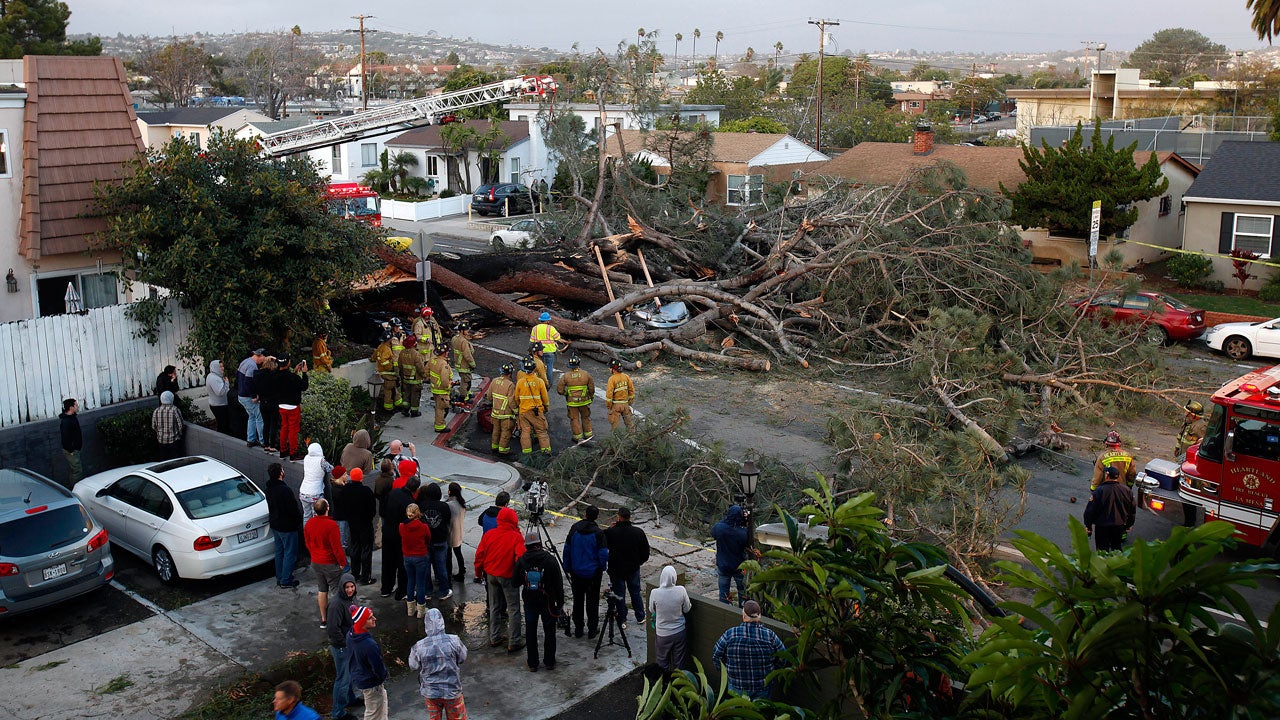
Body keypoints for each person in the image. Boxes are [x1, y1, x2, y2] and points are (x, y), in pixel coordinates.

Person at [473, 506, 525, 651]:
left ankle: (494, 637)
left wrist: (478, 573)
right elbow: (521, 558)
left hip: (491, 575)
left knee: (494, 607)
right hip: (508, 576)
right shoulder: (516, 537)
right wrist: (521, 577)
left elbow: (479, 556)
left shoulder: (489, 534)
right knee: (514, 608)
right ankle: (514, 641)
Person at [712, 600, 786, 700]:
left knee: (736, 714)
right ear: (759, 616)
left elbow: (716, 656)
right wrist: (772, 672)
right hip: (762, 687)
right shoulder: (770, 636)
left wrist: (726, 672)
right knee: (760, 714)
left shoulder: (730, 634)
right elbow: (783, 657)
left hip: (736, 686)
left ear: (744, 616)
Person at [514, 529, 565, 672]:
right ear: (540, 543)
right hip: (548, 602)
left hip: (530, 601)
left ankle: (532, 664)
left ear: (526, 545)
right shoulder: (550, 560)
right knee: (550, 632)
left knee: (530, 632)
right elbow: (558, 584)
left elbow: (514, 582)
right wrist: (560, 604)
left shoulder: (522, 560)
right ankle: (549, 662)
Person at [408, 607, 469, 720]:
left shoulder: (419, 646)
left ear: (426, 624)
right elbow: (462, 658)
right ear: (442, 622)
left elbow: (413, 665)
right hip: (452, 690)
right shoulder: (454, 640)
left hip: (430, 692)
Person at [562, 504, 609, 639]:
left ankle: (578, 628)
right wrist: (602, 567)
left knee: (578, 600)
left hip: (576, 571)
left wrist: (567, 567)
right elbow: (603, 553)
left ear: (585, 515)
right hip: (593, 573)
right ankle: (592, 629)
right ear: (596, 517)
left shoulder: (574, 529)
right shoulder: (598, 533)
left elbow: (567, 549)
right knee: (592, 601)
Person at [604, 506, 650, 623]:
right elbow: (645, 553)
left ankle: (622, 618)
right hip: (633, 568)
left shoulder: (611, 532)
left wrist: (609, 529)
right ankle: (640, 616)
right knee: (635, 593)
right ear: (630, 517)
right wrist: (638, 562)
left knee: (619, 595)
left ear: (618, 517)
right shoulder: (638, 532)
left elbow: (601, 542)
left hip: (616, 569)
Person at [306, 498, 347, 629]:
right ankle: (340, 619)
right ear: (327, 508)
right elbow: (337, 547)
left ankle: (324, 619)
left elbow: (307, 542)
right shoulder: (331, 525)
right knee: (338, 592)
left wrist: (314, 554)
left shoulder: (309, 523)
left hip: (316, 561)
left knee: (322, 590)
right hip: (330, 562)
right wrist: (342, 562)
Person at [326, 574, 359, 720]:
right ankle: (338, 713)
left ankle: (351, 700)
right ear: (342, 587)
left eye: (352, 586)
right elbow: (333, 629)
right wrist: (345, 643)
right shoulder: (336, 604)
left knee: (350, 674)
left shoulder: (350, 599)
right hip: (341, 647)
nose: (350, 589)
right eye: (347, 587)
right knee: (343, 680)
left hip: (350, 644)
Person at [346, 606, 389, 720]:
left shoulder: (351, 634)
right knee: (373, 713)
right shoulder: (369, 645)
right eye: (370, 618)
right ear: (362, 622)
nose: (374, 618)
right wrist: (383, 676)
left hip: (359, 675)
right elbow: (377, 667)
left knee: (381, 705)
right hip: (371, 683)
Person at [381, 475, 418, 601]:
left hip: (387, 532)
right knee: (402, 564)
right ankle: (402, 591)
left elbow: (382, 510)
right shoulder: (410, 502)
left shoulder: (393, 493)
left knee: (387, 562)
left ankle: (386, 588)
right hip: (400, 535)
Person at [265, 463, 302, 588]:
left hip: (276, 525)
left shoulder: (269, 489)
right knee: (290, 552)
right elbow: (292, 509)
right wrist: (297, 521)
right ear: (281, 473)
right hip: (287, 526)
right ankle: (286, 580)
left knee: (280, 551)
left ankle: (280, 577)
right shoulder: (284, 490)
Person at [649, 565, 692, 672]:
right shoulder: (681, 590)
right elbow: (687, 609)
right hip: (679, 632)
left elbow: (652, 610)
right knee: (679, 662)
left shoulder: (655, 593)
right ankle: (678, 684)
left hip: (662, 634)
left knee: (662, 662)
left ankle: (664, 685)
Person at [1084, 465, 1136, 552]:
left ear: (1107, 476)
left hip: (1102, 527)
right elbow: (1132, 510)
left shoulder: (1099, 491)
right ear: (1117, 477)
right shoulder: (1127, 491)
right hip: (1119, 526)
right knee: (1116, 550)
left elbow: (1090, 510)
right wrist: (1129, 524)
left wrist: (1088, 526)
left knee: (1102, 551)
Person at [340, 468, 377, 586]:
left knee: (355, 547)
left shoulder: (345, 490)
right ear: (361, 477)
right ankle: (366, 577)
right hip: (365, 524)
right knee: (366, 549)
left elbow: (343, 507)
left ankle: (355, 574)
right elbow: (372, 508)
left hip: (352, 523)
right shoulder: (366, 491)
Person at [418, 483, 454, 600]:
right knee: (441, 567)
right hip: (440, 539)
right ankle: (444, 590)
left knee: (426, 568)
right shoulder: (444, 506)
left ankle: (427, 591)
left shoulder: (422, 506)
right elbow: (448, 520)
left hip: (426, 541)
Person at [712, 505, 750, 605]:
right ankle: (742, 612)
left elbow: (713, 531)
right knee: (742, 593)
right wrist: (746, 520)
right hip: (739, 567)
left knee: (723, 594)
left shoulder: (719, 528)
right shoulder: (743, 533)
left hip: (723, 566)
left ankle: (724, 614)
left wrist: (728, 519)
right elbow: (748, 543)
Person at [275, 356, 310, 460]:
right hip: (293, 407)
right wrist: (304, 373)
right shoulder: (293, 378)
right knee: (293, 430)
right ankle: (293, 453)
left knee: (284, 428)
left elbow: (285, 381)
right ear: (288, 363)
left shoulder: (275, 375)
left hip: (281, 406)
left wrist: (295, 372)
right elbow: (304, 386)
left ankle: (283, 450)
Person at [401, 504, 433, 618]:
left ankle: (410, 609)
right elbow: (428, 539)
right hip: (420, 556)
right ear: (418, 513)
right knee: (420, 584)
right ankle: (421, 609)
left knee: (410, 581)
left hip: (407, 556)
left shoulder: (402, 526)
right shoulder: (423, 527)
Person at [516, 356, 551, 457]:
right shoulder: (539, 381)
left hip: (523, 411)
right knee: (542, 432)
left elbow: (516, 398)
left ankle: (527, 454)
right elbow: (545, 398)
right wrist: (546, 408)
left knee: (525, 431)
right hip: (536, 411)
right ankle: (546, 453)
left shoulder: (520, 382)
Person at [556, 355, 595, 442]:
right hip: (584, 402)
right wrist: (590, 396)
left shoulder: (566, 376)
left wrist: (566, 394)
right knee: (586, 417)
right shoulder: (586, 374)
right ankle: (588, 435)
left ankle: (577, 437)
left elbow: (559, 390)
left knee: (574, 419)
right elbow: (592, 389)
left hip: (572, 403)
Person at [236, 348, 267, 447]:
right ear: (260, 355)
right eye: (263, 358)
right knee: (259, 417)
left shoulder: (245, 361)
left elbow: (238, 377)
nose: (263, 361)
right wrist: (254, 396)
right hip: (248, 397)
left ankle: (251, 439)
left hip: (241, 395)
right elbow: (248, 382)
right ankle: (263, 441)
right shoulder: (252, 366)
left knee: (252, 417)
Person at [486, 363, 517, 455]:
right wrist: (516, 411)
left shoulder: (494, 381)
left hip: (495, 413)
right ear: (510, 373)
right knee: (505, 433)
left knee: (496, 431)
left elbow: (489, 396)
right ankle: (503, 451)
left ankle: (494, 447)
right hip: (505, 414)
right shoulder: (510, 385)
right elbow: (511, 401)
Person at [300, 443, 331, 524]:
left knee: (306, 516)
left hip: (303, 492)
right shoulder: (321, 461)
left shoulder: (306, 458)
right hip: (316, 493)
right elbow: (330, 469)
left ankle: (306, 534)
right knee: (317, 517)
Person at [530, 310, 567, 376]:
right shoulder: (551, 328)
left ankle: (541, 382)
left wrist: (531, 351)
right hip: (550, 351)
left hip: (539, 351)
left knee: (540, 367)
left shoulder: (535, 328)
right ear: (547, 321)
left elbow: (532, 341)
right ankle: (549, 383)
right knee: (549, 367)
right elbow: (557, 338)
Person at [257, 357, 281, 453]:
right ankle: (272, 445)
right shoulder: (274, 375)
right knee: (273, 425)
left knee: (266, 424)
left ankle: (266, 444)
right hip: (273, 402)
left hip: (263, 402)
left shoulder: (258, 375)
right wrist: (277, 360)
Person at [399, 334, 426, 418]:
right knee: (415, 396)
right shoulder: (416, 354)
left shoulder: (402, 353)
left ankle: (405, 409)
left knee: (406, 394)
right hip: (415, 379)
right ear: (413, 344)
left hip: (405, 379)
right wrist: (424, 375)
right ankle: (414, 412)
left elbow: (400, 366)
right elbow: (420, 368)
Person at [427, 344, 453, 433]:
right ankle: (440, 426)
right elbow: (445, 380)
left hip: (435, 388)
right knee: (442, 408)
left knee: (438, 406)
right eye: (447, 352)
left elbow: (426, 372)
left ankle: (437, 422)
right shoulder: (443, 364)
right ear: (444, 353)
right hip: (442, 390)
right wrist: (449, 386)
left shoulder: (432, 360)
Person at [605, 360, 637, 432]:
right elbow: (631, 391)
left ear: (613, 369)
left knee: (615, 427)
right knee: (630, 425)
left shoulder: (612, 379)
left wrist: (609, 406)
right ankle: (634, 440)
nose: (609, 369)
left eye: (610, 368)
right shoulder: (626, 377)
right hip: (625, 405)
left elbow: (609, 395)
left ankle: (617, 441)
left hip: (615, 406)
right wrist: (629, 402)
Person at [152, 390, 185, 459]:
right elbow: (181, 425)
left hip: (161, 441)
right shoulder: (175, 410)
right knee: (175, 461)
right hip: (174, 441)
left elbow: (153, 426)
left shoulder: (156, 410)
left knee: (164, 462)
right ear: (171, 398)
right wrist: (179, 434)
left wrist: (160, 433)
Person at [445, 482, 467, 580]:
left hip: (450, 532)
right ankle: (461, 570)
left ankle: (448, 572)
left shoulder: (449, 505)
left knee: (448, 555)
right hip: (459, 532)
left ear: (450, 491)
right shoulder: (462, 503)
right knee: (458, 553)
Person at [373, 333, 398, 414]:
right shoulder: (387, 349)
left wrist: (372, 359)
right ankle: (388, 408)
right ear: (389, 340)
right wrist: (390, 366)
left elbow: (374, 356)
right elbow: (384, 361)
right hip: (387, 373)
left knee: (392, 389)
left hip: (382, 372)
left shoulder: (380, 347)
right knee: (388, 391)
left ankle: (396, 404)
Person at [59, 398, 82, 486]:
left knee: (75, 470)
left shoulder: (72, 418)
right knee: (77, 471)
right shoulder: (66, 421)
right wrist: (71, 450)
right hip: (71, 451)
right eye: (76, 405)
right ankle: (75, 490)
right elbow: (65, 437)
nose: (77, 406)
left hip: (75, 449)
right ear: (71, 407)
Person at [451, 321, 476, 400]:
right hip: (464, 364)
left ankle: (468, 393)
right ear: (461, 331)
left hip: (458, 363)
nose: (468, 331)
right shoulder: (463, 341)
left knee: (466, 380)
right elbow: (467, 355)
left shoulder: (455, 338)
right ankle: (464, 397)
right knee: (465, 382)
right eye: (466, 330)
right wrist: (473, 364)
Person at [205, 360, 231, 434]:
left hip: (218, 404)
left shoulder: (214, 376)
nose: (222, 368)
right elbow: (220, 392)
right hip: (219, 406)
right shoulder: (214, 378)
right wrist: (226, 383)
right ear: (215, 367)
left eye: (222, 366)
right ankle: (222, 441)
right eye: (220, 367)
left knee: (222, 424)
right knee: (223, 426)